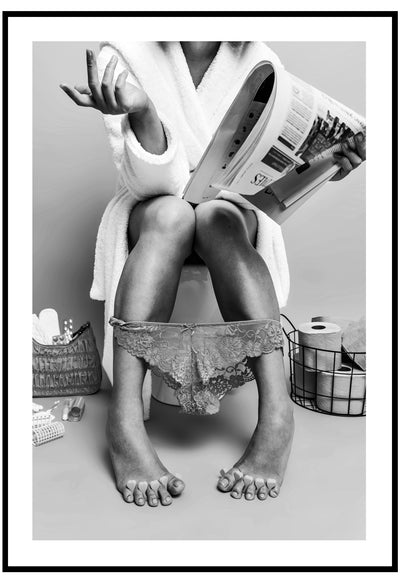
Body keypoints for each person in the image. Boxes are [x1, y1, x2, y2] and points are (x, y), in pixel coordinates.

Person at [60, 41, 366, 507]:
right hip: (153, 206)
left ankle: (277, 416)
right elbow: (149, 184)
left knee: (216, 218)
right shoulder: (123, 52)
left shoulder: (260, 59)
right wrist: (142, 113)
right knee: (174, 216)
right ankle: (123, 421)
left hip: (232, 212)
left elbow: (268, 192)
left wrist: (326, 165)